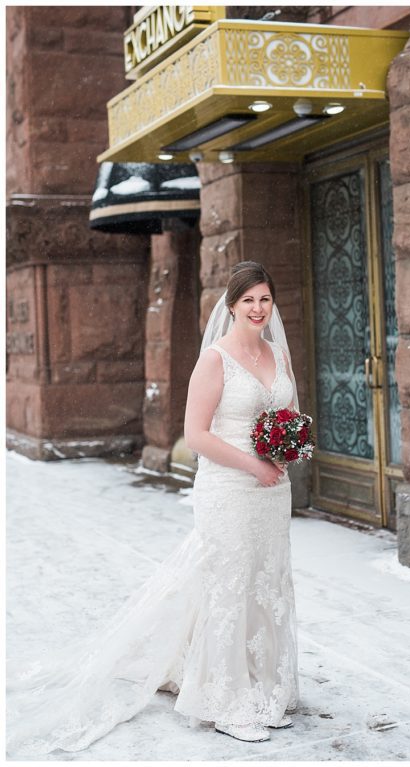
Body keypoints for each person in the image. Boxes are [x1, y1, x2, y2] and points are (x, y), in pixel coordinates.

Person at [7, 261, 302, 754]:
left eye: (265, 299)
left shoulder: (280, 355)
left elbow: (288, 415)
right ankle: (226, 701)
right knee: (229, 585)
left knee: (266, 581)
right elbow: (196, 435)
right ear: (231, 305)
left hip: (273, 490)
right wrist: (254, 465)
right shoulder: (215, 359)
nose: (258, 308)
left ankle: (263, 686)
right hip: (229, 489)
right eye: (248, 300)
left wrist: (286, 448)